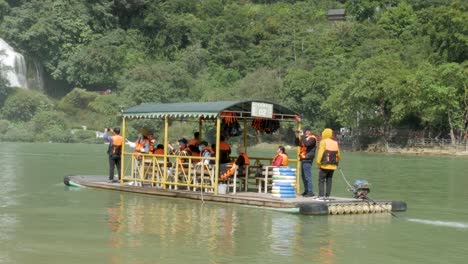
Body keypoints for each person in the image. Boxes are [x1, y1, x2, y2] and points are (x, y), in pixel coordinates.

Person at [316, 128, 341, 199]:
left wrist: (318, 163)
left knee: (321, 180)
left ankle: (321, 195)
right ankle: (327, 195)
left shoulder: (323, 142)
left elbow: (320, 154)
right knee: (329, 180)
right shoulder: (335, 142)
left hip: (324, 165)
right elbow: (338, 155)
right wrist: (337, 162)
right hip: (333, 166)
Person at [295, 128, 317, 197]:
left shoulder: (312, 138)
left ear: (310, 132)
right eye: (306, 131)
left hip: (308, 158)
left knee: (308, 176)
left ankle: (310, 192)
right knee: (303, 176)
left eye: (308, 131)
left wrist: (302, 136)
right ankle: (306, 190)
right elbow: (298, 144)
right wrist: (296, 137)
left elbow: (307, 144)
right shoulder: (304, 138)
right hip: (303, 158)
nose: (306, 132)